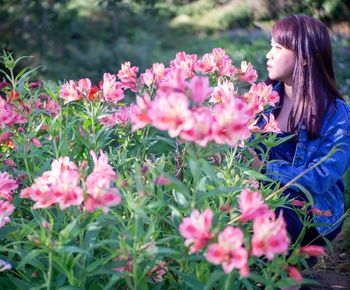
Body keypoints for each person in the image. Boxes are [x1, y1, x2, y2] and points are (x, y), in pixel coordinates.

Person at [252, 15, 350, 247]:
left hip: (311, 213)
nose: (269, 54)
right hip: (259, 195)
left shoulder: (336, 113)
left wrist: (263, 168)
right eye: (270, 46)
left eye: (278, 47)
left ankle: (283, 277)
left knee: (277, 219)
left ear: (305, 58)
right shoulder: (260, 100)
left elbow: (320, 177)